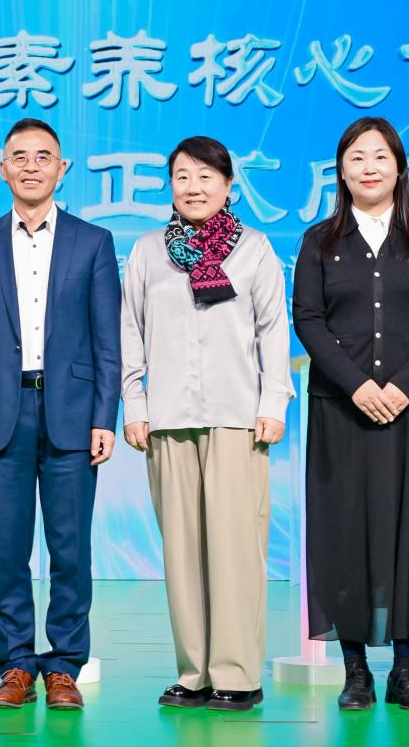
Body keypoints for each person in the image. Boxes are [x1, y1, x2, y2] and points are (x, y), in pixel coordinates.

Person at [292, 116, 409, 712]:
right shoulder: (319, 240)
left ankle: (406, 670)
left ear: (399, 167)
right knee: (344, 532)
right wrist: (357, 386)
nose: (369, 167)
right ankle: (356, 670)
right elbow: (308, 318)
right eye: (357, 157)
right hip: (341, 410)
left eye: (380, 157)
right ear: (341, 171)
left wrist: (401, 386)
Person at [0, 118, 121, 711]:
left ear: (62, 168)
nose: (30, 166)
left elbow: (107, 341)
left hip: (72, 412)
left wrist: (105, 416)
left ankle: (65, 665)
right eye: (18, 156)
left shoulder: (92, 241)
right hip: (0, 411)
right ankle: (17, 664)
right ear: (2, 169)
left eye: (43, 156)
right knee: (7, 550)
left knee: (70, 549)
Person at [120, 136, 293, 712]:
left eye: (205, 177)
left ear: (228, 185)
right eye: (182, 177)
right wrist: (135, 404)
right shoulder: (149, 251)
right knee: (182, 553)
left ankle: (237, 674)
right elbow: (130, 332)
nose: (193, 188)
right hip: (168, 419)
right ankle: (193, 672)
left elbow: (273, 330)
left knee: (237, 549)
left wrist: (274, 403)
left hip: (238, 418)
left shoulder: (254, 248)